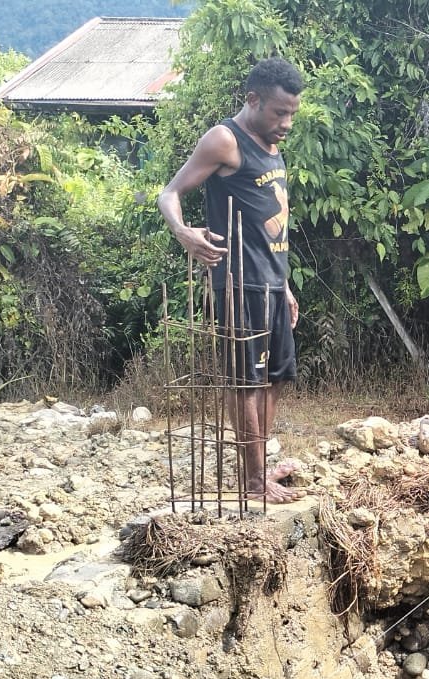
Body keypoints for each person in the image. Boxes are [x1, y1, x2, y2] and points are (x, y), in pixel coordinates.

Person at [158, 57, 306, 505]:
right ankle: (253, 479)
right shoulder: (225, 140)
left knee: (275, 377)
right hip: (239, 284)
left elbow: (270, 221)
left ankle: (260, 463)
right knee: (246, 380)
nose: (287, 123)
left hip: (272, 283)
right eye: (279, 112)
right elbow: (170, 192)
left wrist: (285, 284)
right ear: (253, 100)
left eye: (292, 114)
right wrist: (185, 233)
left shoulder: (272, 144)